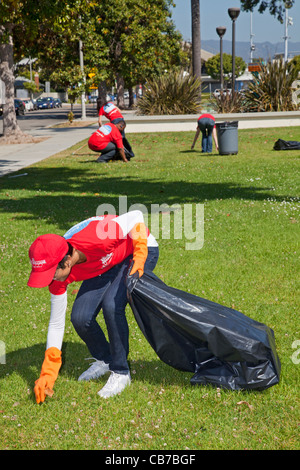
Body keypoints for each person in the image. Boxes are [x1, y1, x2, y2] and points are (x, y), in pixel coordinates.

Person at [27, 210, 159, 403]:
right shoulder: (59, 271)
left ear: (67, 260)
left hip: (136, 249)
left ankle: (121, 372)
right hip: (104, 263)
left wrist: (139, 257)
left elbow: (136, 217)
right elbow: (56, 324)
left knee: (112, 304)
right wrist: (48, 372)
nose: (51, 279)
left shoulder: (97, 236)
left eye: (51, 273)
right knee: (80, 317)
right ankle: (105, 359)